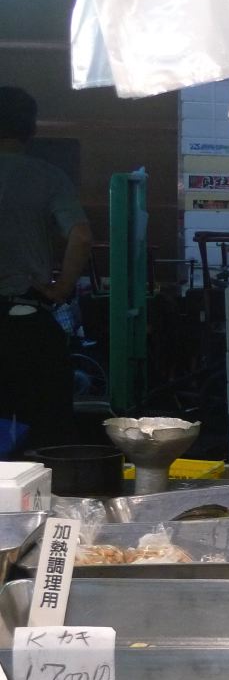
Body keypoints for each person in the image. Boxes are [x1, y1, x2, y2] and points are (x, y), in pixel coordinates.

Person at [0, 86, 92, 448]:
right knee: (48, 438)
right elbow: (80, 236)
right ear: (31, 129)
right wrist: (62, 288)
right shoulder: (48, 176)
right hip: (27, 321)